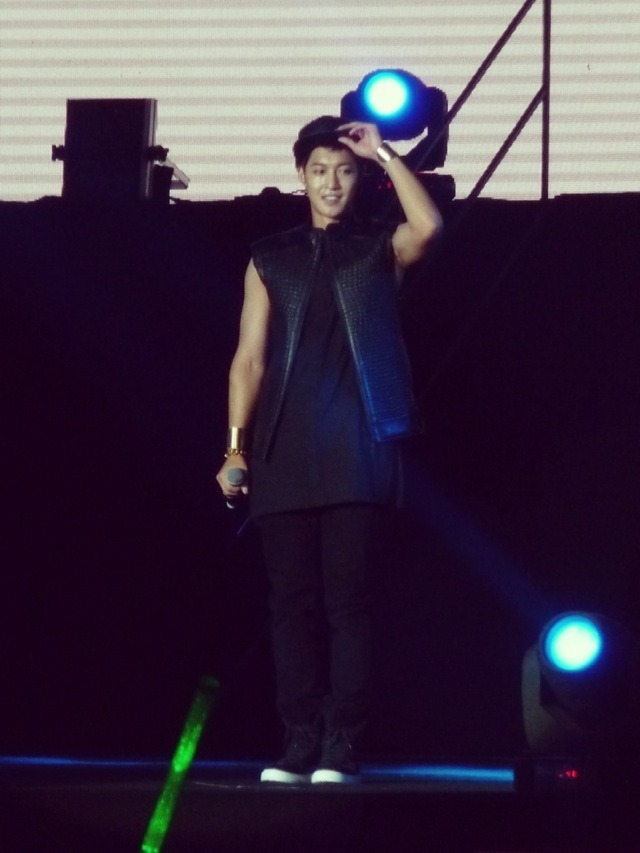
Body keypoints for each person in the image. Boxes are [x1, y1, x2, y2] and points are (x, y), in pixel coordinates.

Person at [216, 116, 442, 784]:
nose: (332, 183)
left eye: (343, 171)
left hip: (358, 448)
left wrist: (385, 153)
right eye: (319, 171)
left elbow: (429, 227)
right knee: (291, 605)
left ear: (357, 179)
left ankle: (342, 743)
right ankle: (298, 741)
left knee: (348, 602)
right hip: (283, 448)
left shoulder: (377, 248)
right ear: (301, 177)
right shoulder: (271, 256)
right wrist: (235, 448)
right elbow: (248, 360)